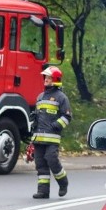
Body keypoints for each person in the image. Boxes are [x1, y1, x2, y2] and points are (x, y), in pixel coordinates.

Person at [31, 66, 71, 199]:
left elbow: (67, 117)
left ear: (55, 80)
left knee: (51, 159)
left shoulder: (61, 97)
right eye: (46, 77)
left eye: (49, 78)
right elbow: (37, 117)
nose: (46, 80)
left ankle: (63, 182)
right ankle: (43, 191)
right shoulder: (40, 97)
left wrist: (55, 125)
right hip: (38, 138)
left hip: (52, 138)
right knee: (40, 164)